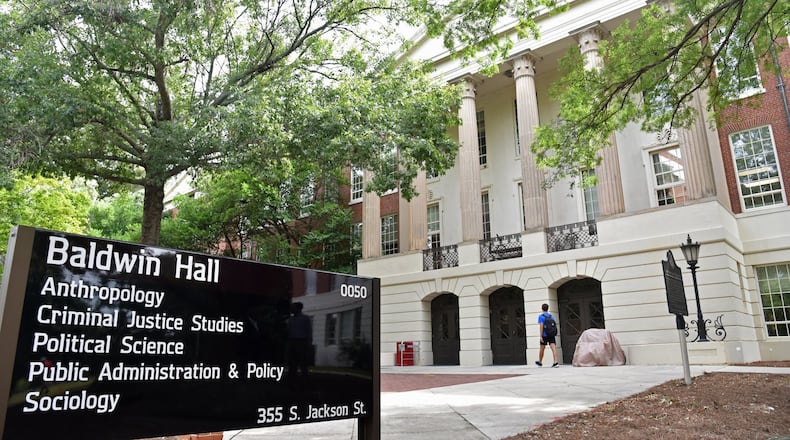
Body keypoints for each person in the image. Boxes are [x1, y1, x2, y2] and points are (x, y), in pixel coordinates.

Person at [287, 301, 313, 381]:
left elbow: (309, 331)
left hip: (301, 341)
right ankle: (292, 377)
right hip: (292, 341)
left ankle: (304, 378)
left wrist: (309, 342)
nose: (291, 309)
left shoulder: (305, 318)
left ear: (298, 308)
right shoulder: (290, 319)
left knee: (303, 361)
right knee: (292, 361)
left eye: (293, 308)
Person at [535, 303, 559, 367]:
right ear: (548, 308)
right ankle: (556, 362)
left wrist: (540, 336)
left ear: (542, 308)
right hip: (551, 334)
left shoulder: (541, 316)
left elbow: (541, 326)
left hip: (544, 335)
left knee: (542, 348)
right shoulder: (551, 316)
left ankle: (540, 361)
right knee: (553, 348)